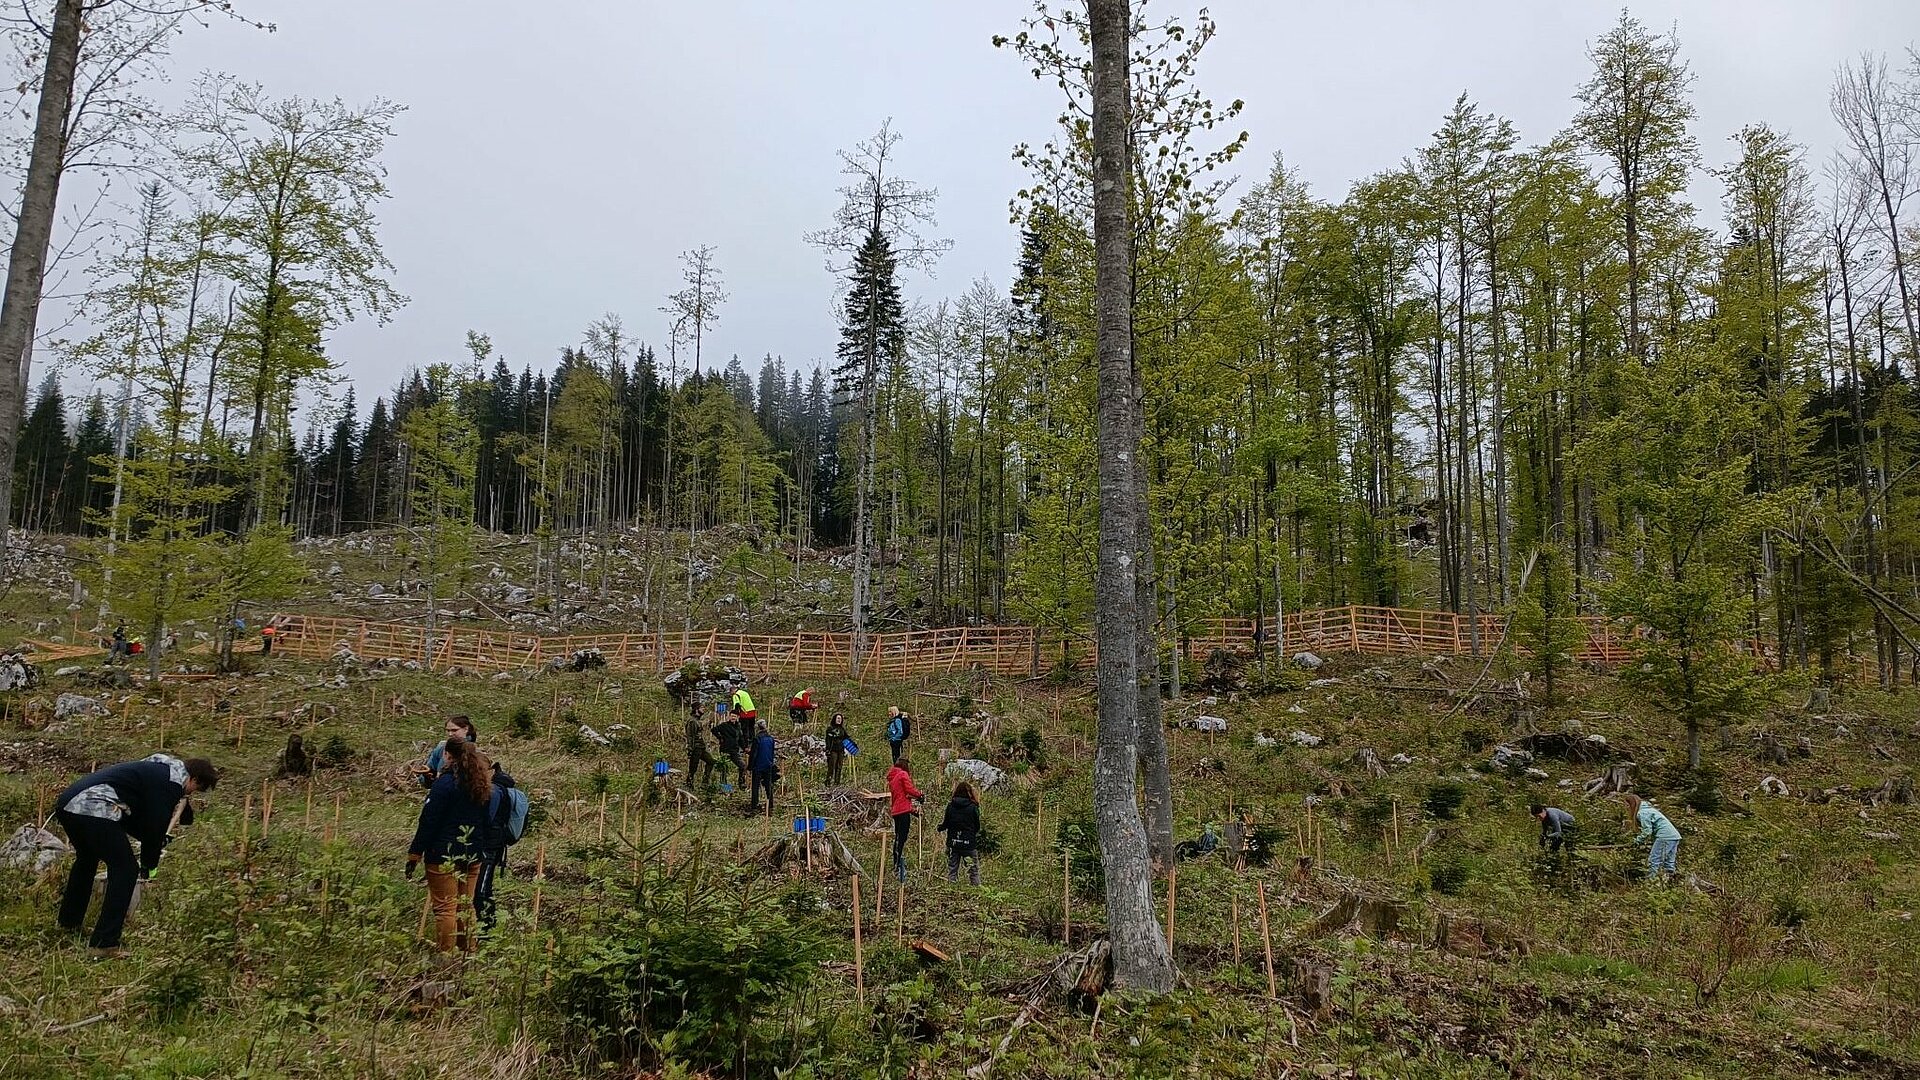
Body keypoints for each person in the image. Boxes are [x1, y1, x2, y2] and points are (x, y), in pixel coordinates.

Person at [54, 753, 219, 957]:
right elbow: (154, 826)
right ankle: (104, 943)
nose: (192, 794)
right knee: (125, 869)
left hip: (70, 803)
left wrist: (153, 840)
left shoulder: (160, 769)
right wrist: (148, 865)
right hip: (93, 807)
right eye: (198, 789)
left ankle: (69, 923)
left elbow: (135, 817)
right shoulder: (171, 783)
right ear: (194, 779)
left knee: (87, 859)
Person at [407, 738, 495, 952]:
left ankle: (445, 956)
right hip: (472, 853)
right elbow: (485, 820)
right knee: (466, 906)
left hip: (443, 854)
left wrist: (414, 854)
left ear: (447, 755)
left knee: (446, 908)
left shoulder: (444, 784)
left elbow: (428, 821)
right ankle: (469, 953)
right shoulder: (480, 783)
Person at [886, 755, 924, 882]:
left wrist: (913, 811)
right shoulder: (903, 775)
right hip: (902, 812)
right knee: (902, 837)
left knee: (898, 837)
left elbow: (902, 798)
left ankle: (896, 862)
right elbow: (909, 790)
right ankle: (897, 864)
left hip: (897, 811)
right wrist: (920, 795)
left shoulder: (894, 778)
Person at [1625, 794, 1682, 879]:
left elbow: (1647, 831)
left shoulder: (1642, 813)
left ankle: (1651, 882)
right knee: (1669, 862)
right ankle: (1671, 881)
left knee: (1654, 860)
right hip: (1674, 836)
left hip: (1664, 836)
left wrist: (1637, 841)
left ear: (1632, 804)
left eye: (1627, 805)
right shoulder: (1649, 809)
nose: (1626, 807)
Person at [938, 781, 982, 885]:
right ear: (970, 793)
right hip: (968, 844)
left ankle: (951, 890)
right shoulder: (973, 807)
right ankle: (976, 890)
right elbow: (977, 826)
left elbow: (946, 824)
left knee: (952, 869)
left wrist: (940, 828)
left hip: (953, 842)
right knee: (973, 870)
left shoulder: (950, 806)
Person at [415, 716, 479, 788]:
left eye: (454, 730)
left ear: (465, 729)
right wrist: (427, 777)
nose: (450, 734)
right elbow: (427, 778)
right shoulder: (441, 748)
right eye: (448, 731)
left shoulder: (474, 752)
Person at [713, 704, 746, 789]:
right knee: (724, 768)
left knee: (742, 766)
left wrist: (744, 748)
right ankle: (724, 786)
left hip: (734, 751)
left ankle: (741, 784)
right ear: (729, 716)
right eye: (731, 716)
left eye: (734, 716)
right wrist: (720, 738)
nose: (733, 718)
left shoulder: (738, 726)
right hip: (725, 750)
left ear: (737, 717)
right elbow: (714, 730)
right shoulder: (724, 725)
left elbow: (741, 738)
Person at [748, 721, 778, 816]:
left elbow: (754, 754)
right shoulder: (771, 739)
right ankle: (770, 805)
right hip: (768, 764)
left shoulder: (757, 739)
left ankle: (754, 806)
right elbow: (772, 752)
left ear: (758, 728)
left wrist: (750, 766)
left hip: (758, 766)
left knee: (755, 787)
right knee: (768, 785)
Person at [685, 706, 716, 786]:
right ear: (696, 709)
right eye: (701, 708)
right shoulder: (692, 721)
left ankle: (705, 782)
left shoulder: (697, 720)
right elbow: (690, 736)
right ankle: (689, 784)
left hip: (701, 747)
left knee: (711, 761)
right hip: (696, 747)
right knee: (693, 767)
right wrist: (690, 749)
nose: (703, 709)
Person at [823, 712, 851, 786]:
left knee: (839, 767)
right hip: (833, 750)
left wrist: (849, 748)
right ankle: (828, 782)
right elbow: (828, 740)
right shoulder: (830, 728)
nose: (839, 720)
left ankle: (837, 783)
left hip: (841, 750)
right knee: (831, 766)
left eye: (840, 719)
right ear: (834, 719)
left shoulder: (842, 729)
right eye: (838, 718)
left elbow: (847, 738)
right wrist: (828, 750)